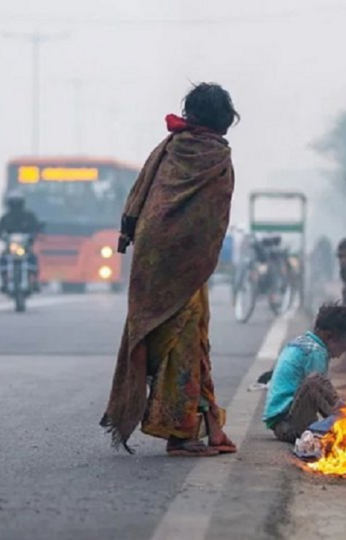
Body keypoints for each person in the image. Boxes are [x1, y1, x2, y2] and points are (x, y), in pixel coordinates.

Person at [100, 83, 239, 457]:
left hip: (151, 258)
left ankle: (212, 427)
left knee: (187, 339)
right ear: (223, 119)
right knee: (184, 341)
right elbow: (211, 221)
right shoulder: (215, 157)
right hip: (186, 263)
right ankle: (182, 435)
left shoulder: (169, 149)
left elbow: (140, 198)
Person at [263, 304, 346, 444]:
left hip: (281, 422)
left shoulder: (303, 342)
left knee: (322, 387)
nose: (340, 354)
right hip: (288, 425)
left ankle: (343, 421)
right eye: (343, 348)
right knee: (315, 381)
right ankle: (345, 426)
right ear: (330, 336)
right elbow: (317, 389)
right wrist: (340, 414)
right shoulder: (316, 352)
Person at [0, 191, 42, 293]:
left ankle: (35, 282)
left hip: (25, 246)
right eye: (13, 203)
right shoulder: (5, 218)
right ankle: (4, 282)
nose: (15, 205)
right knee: (2, 259)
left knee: (33, 259)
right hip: (11, 247)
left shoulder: (29, 216)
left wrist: (35, 233)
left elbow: (36, 226)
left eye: (17, 203)